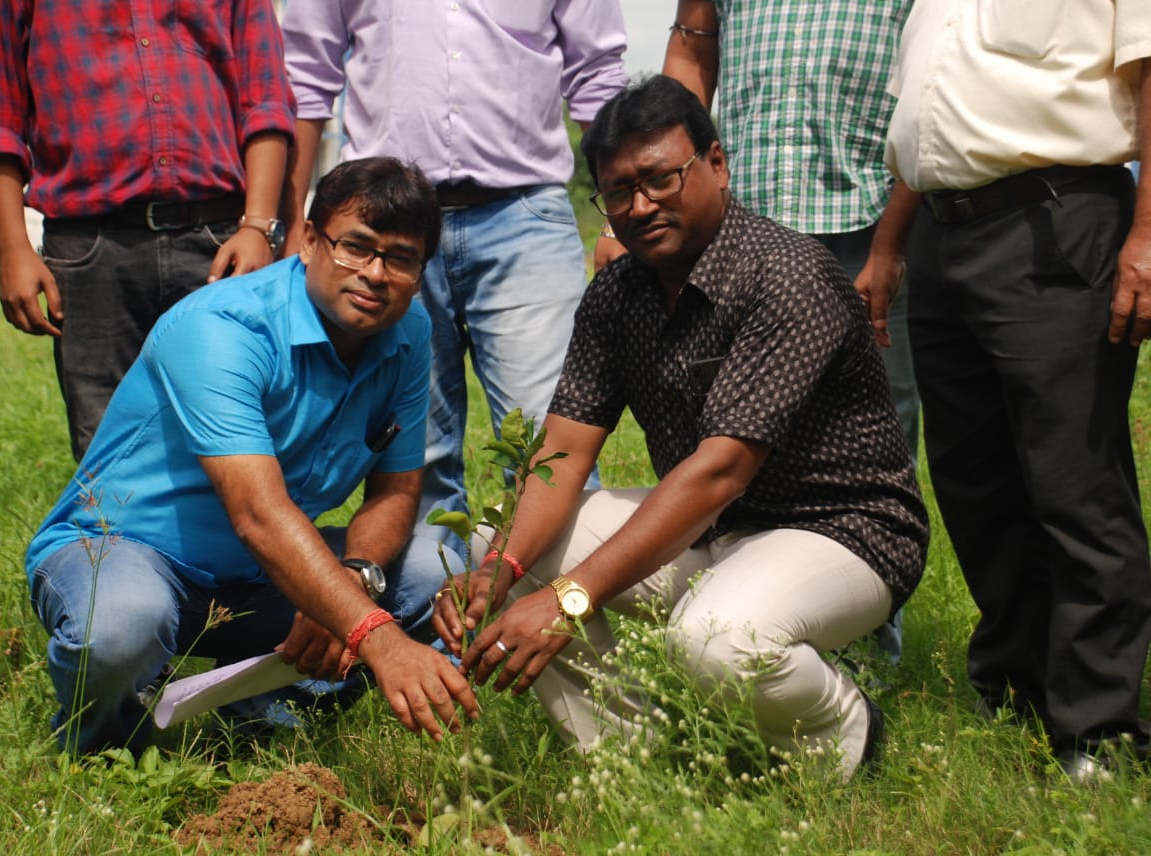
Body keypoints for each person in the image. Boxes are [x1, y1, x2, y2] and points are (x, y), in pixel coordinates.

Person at [433, 76, 928, 782]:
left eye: (660, 178)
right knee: (500, 547)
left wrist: (570, 598)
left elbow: (720, 470)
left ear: (716, 165)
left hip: (842, 531)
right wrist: (497, 574)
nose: (640, 206)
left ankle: (845, 734)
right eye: (618, 193)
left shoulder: (788, 275)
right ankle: (635, 767)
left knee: (714, 640)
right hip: (713, 534)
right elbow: (564, 453)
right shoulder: (617, 293)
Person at [25, 158, 479, 755]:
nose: (374, 274)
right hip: (129, 554)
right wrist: (374, 634)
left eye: (400, 259)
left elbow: (396, 490)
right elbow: (259, 514)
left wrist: (353, 577)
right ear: (311, 240)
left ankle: (265, 699)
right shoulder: (224, 328)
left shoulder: (408, 329)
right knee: (124, 623)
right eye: (355, 247)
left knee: (433, 562)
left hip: (262, 576)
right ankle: (103, 752)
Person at [857, 0, 1151, 781]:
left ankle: (1100, 732)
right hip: (943, 236)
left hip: (1058, 219)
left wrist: (1149, 237)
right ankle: (1015, 690)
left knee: (1076, 484)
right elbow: (931, 132)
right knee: (975, 483)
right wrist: (889, 247)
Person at [280, 0, 627, 548]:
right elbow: (307, 72)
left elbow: (598, 73)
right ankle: (435, 619)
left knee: (550, 440)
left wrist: (619, 214)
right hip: (388, 229)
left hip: (525, 213)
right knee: (414, 453)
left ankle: (559, 617)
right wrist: (289, 216)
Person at [660, 0, 919, 661]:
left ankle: (865, 652)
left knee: (869, 440)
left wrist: (898, 226)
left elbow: (934, 70)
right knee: (723, 431)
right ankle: (730, 630)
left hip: (864, 214)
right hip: (739, 219)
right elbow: (690, 52)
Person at [0, 0, 295, 460]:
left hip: (221, 243)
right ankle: (112, 536)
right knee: (110, 449)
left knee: (238, 441)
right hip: (90, 249)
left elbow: (265, 96)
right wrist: (13, 246)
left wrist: (258, 226)